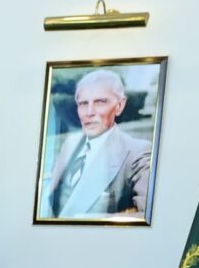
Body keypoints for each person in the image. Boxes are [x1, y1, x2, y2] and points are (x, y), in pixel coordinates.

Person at [41, 68, 152, 219]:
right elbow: (48, 201)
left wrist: (88, 220)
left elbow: (148, 215)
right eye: (83, 103)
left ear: (119, 105)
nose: (89, 112)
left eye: (100, 102)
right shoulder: (71, 142)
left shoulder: (137, 153)